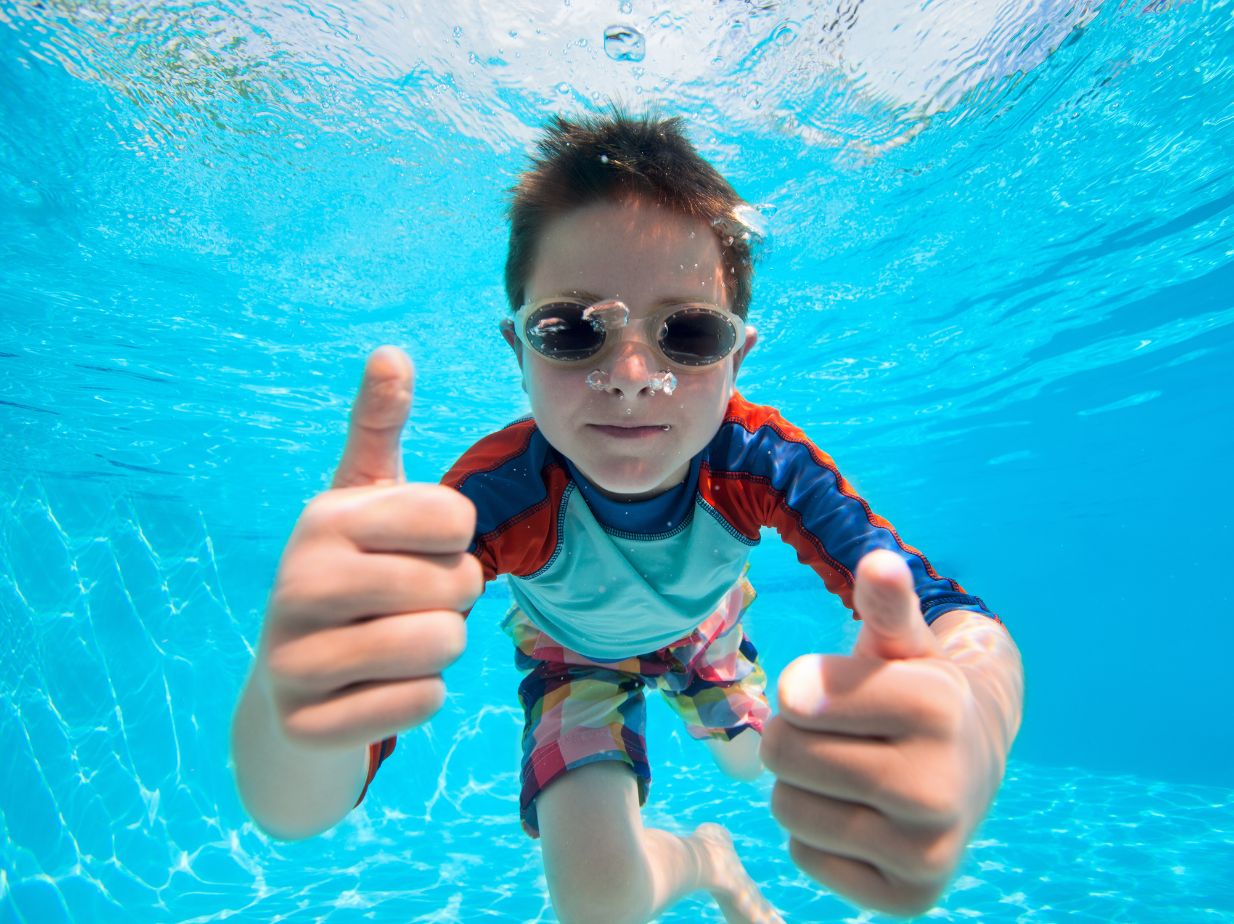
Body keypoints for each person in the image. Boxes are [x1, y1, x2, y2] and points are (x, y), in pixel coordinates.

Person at [231, 110, 1024, 924]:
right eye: (573, 331)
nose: (634, 375)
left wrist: (981, 712)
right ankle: (708, 859)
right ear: (519, 351)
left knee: (761, 761)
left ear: (737, 356)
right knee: (599, 909)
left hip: (703, 631)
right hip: (570, 654)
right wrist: (295, 703)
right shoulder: (496, 496)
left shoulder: (760, 462)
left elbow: (946, 612)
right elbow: (297, 812)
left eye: (688, 332)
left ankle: (721, 794)